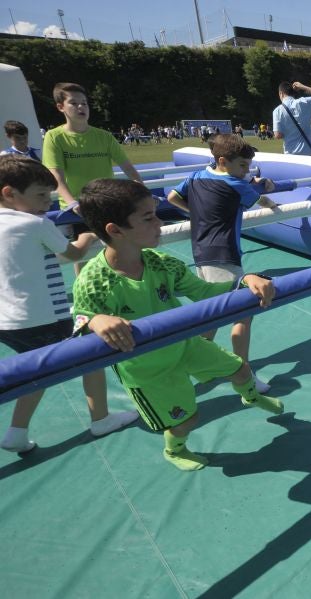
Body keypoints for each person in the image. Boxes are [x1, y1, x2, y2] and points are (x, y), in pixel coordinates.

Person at [73, 178, 283, 471]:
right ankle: (175, 449)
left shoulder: (161, 263)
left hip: (185, 344)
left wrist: (245, 280)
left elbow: (206, 292)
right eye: (148, 218)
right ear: (115, 230)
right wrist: (95, 320)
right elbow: (80, 319)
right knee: (187, 419)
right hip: (148, 369)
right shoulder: (94, 280)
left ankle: (250, 396)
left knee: (241, 369)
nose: (159, 223)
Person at [0, 155, 138, 453]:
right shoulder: (35, 223)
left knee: (34, 373)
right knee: (92, 354)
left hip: (8, 322)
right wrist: (87, 237)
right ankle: (100, 418)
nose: (46, 204)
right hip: (43, 319)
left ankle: (16, 432)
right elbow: (73, 254)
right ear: (9, 193)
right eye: (40, 196)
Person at [166, 134, 277, 393]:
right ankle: (244, 375)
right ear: (223, 161)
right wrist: (269, 193)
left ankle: (190, 367)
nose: (246, 171)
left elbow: (172, 197)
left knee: (212, 316)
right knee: (243, 313)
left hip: (201, 253)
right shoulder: (235, 184)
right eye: (243, 165)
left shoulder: (196, 177)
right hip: (224, 254)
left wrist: (197, 214)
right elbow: (260, 196)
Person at [41, 82, 143, 211]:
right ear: (60, 107)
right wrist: (72, 203)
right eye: (73, 103)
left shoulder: (105, 136)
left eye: (84, 103)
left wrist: (143, 193)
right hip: (76, 209)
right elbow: (56, 176)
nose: (81, 107)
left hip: (107, 203)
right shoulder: (54, 137)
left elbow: (128, 168)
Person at [273, 81, 311, 156]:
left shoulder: (277, 111)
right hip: (310, 151)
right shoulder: (303, 102)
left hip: (291, 153)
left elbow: (278, 135)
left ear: (281, 93)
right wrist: (303, 86)